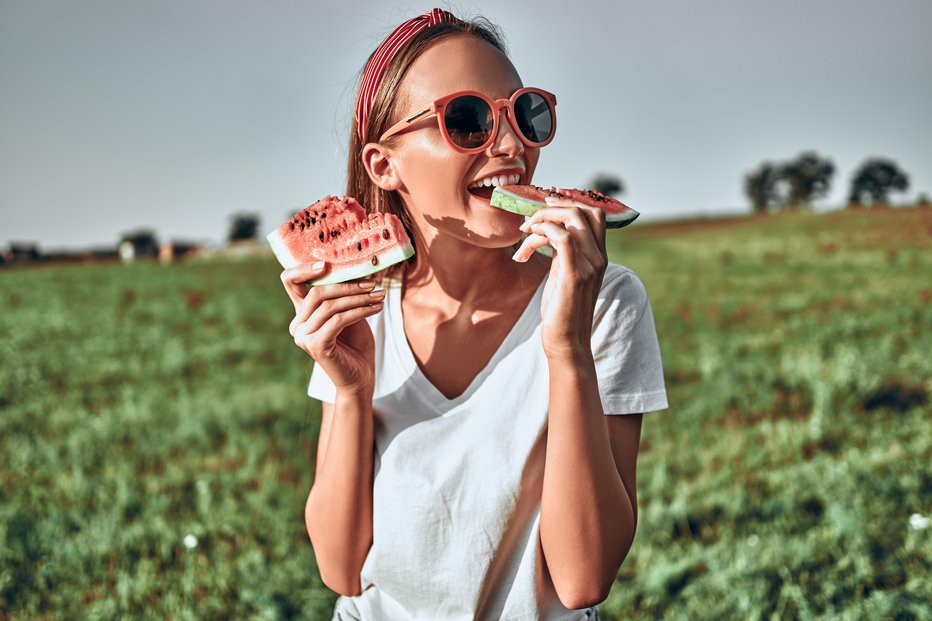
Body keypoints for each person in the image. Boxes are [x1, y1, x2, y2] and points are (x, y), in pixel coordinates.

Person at [278, 9, 668, 620]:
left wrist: (566, 349)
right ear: (385, 165)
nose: (512, 145)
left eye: (525, 113)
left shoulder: (605, 301)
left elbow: (584, 577)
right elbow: (342, 568)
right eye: (467, 121)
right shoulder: (359, 309)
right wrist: (351, 389)